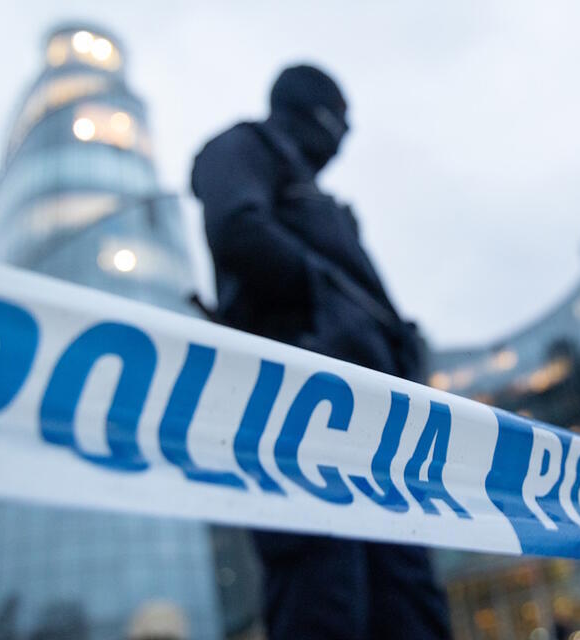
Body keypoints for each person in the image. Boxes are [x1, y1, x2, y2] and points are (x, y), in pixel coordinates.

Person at [191, 64, 450, 640]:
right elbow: (237, 228)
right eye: (342, 121)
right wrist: (330, 307)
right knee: (323, 592)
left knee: (407, 597)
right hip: (301, 408)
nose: (345, 138)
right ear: (315, 113)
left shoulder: (323, 203)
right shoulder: (243, 147)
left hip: (381, 425)